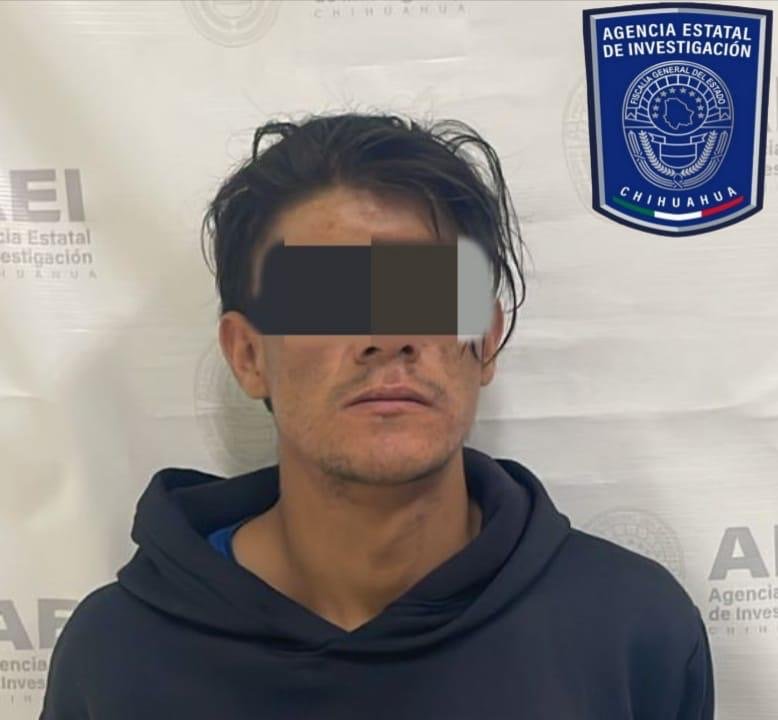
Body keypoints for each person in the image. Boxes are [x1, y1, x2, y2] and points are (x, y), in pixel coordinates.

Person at [39, 112, 714, 720]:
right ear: (248, 355)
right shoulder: (117, 657)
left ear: (484, 340)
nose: (387, 336)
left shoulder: (632, 633)